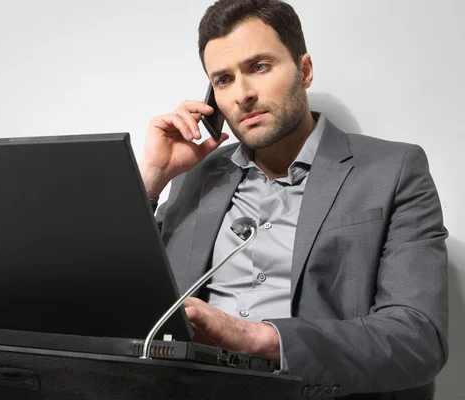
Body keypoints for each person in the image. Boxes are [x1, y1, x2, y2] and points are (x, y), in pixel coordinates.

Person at [138, 0, 448, 398]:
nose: (242, 94)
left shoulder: (393, 169)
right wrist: (152, 178)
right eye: (224, 80)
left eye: (259, 67)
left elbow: (418, 339)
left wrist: (257, 338)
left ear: (304, 70)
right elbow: (113, 298)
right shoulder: (194, 177)